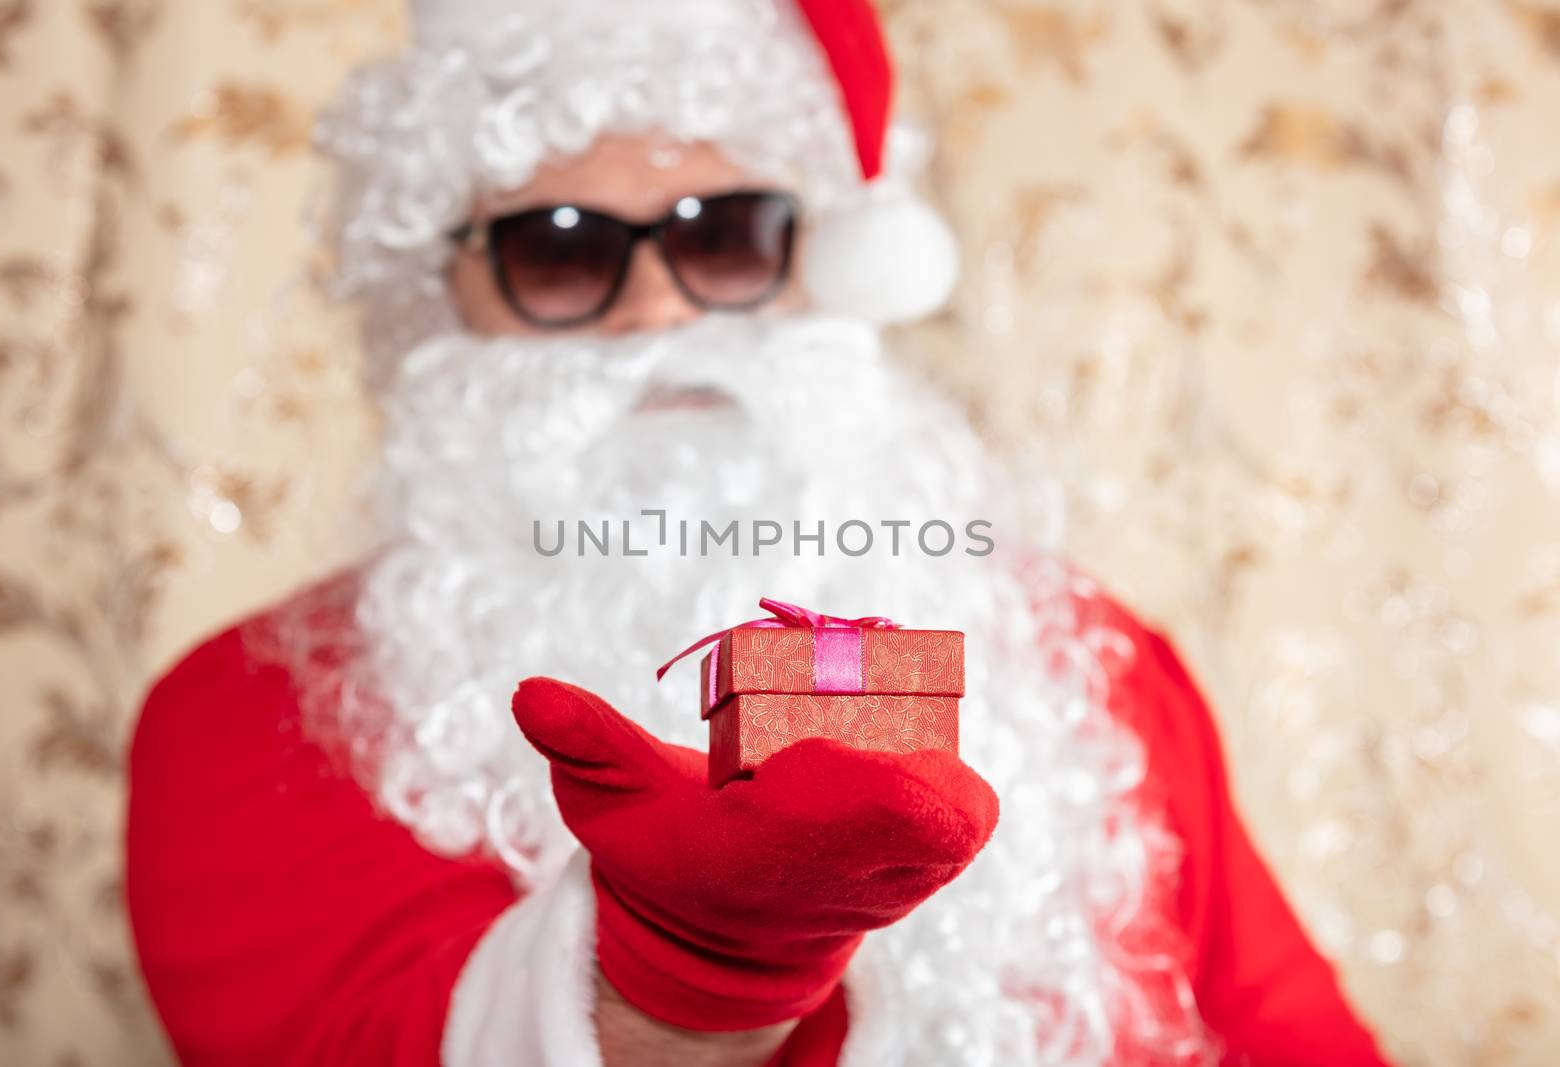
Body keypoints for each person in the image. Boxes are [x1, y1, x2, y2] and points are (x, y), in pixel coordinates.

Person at [123, 1, 1392, 1065]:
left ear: (826, 262)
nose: (659, 311)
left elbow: (1293, 1031)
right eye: (556, 252)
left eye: (725, 237)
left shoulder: (1093, 672)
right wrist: (679, 972)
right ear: (437, 295)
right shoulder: (241, 715)